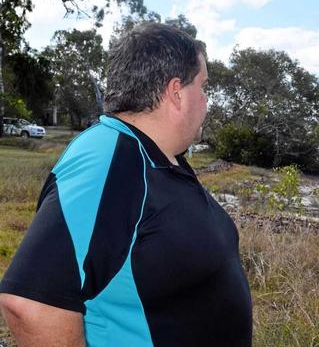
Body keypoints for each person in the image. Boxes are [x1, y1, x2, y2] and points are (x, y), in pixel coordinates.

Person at [0, 23, 252, 346]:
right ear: (176, 92)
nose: (206, 102)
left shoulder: (160, 157)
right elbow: (29, 304)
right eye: (203, 88)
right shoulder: (108, 155)